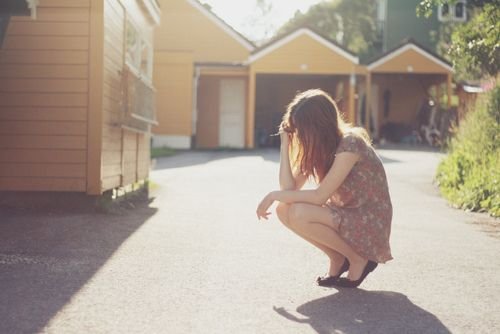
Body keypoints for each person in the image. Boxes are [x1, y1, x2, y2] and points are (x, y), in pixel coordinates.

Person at [256, 89, 393, 288]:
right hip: (346, 213)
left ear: (318, 126)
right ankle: (338, 258)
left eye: (302, 129)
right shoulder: (319, 149)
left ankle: (357, 259)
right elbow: (289, 190)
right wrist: (284, 144)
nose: (300, 135)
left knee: (299, 211)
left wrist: (272, 195)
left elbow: (320, 196)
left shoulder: (350, 143)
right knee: (283, 209)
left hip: (368, 219)